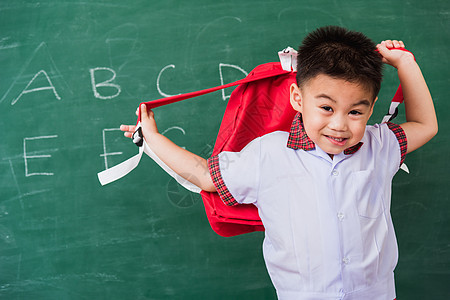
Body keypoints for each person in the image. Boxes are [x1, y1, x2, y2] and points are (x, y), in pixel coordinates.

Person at [120, 26, 437, 299]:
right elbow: (205, 175)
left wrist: (404, 63)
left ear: (370, 111)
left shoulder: (380, 145)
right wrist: (151, 138)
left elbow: (426, 125)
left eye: (355, 112)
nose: (340, 124)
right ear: (298, 99)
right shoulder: (269, 153)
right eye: (326, 108)